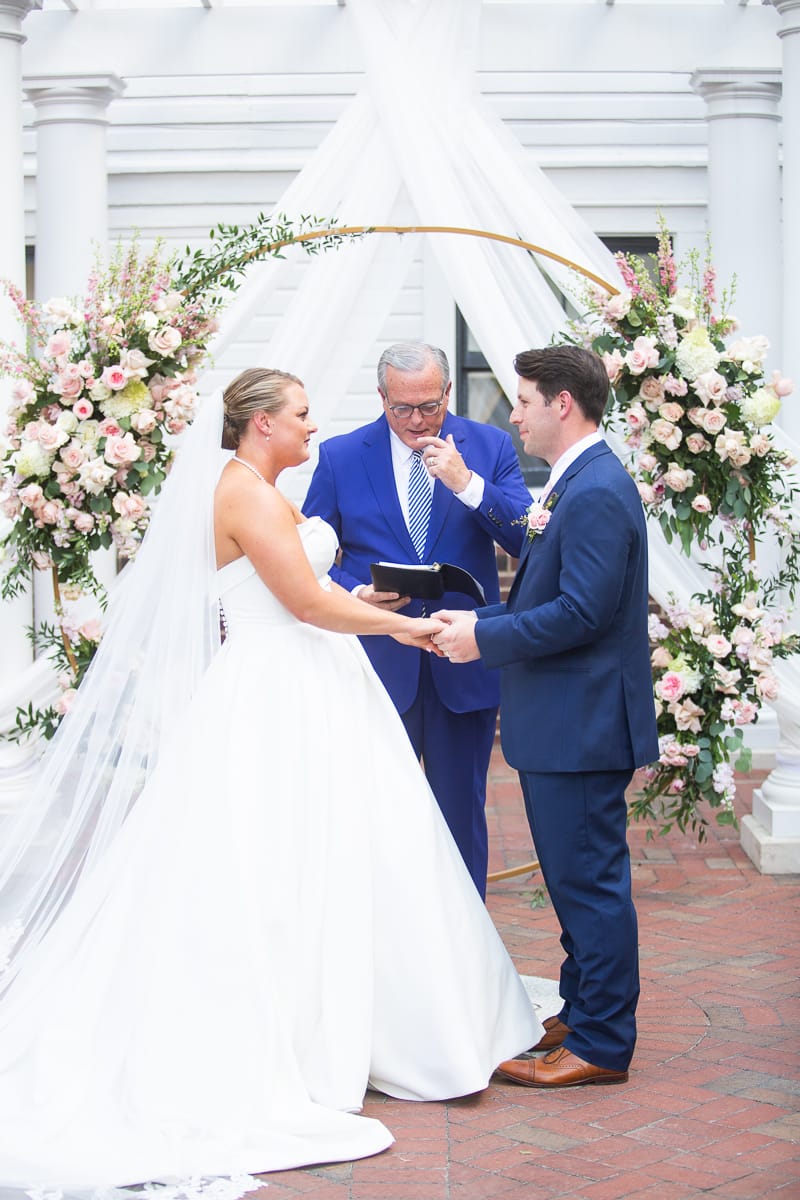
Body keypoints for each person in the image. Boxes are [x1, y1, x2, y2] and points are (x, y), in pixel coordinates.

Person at [0, 367, 541, 1195]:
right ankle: (289, 1029)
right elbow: (304, 606)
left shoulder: (258, 484)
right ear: (259, 424)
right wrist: (404, 624)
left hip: (312, 681)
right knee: (274, 852)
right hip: (276, 691)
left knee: (345, 846)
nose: (312, 426)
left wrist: (364, 594)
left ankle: (364, 1016)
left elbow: (314, 587)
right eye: (299, 414)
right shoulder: (245, 492)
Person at [432, 345, 658, 1088]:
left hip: (582, 722)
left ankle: (601, 1041)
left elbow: (582, 612)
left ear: (564, 403)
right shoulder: (573, 481)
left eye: (524, 399)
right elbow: (548, 587)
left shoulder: (593, 489)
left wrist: (482, 635)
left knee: (589, 881)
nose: (515, 413)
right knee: (569, 878)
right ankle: (583, 1008)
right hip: (565, 719)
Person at [303, 342, 531, 896]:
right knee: (378, 818)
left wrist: (467, 484)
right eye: (401, 408)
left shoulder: (490, 445)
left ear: (448, 393)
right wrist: (355, 591)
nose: (416, 420)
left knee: (460, 820)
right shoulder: (340, 455)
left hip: (463, 665)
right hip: (380, 666)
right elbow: (306, 555)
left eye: (429, 406)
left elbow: (528, 537)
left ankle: (467, 952)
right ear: (381, 397)